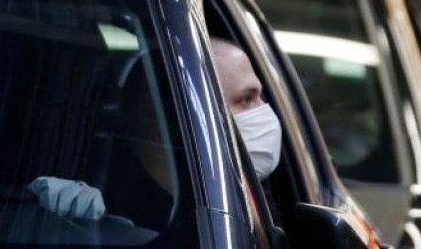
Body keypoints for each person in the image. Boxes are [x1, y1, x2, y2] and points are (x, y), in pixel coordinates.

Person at [28, 36, 283, 219]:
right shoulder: (93, 203)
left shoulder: (246, 194)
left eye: (260, 98)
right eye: (247, 99)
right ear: (175, 114)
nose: (264, 112)